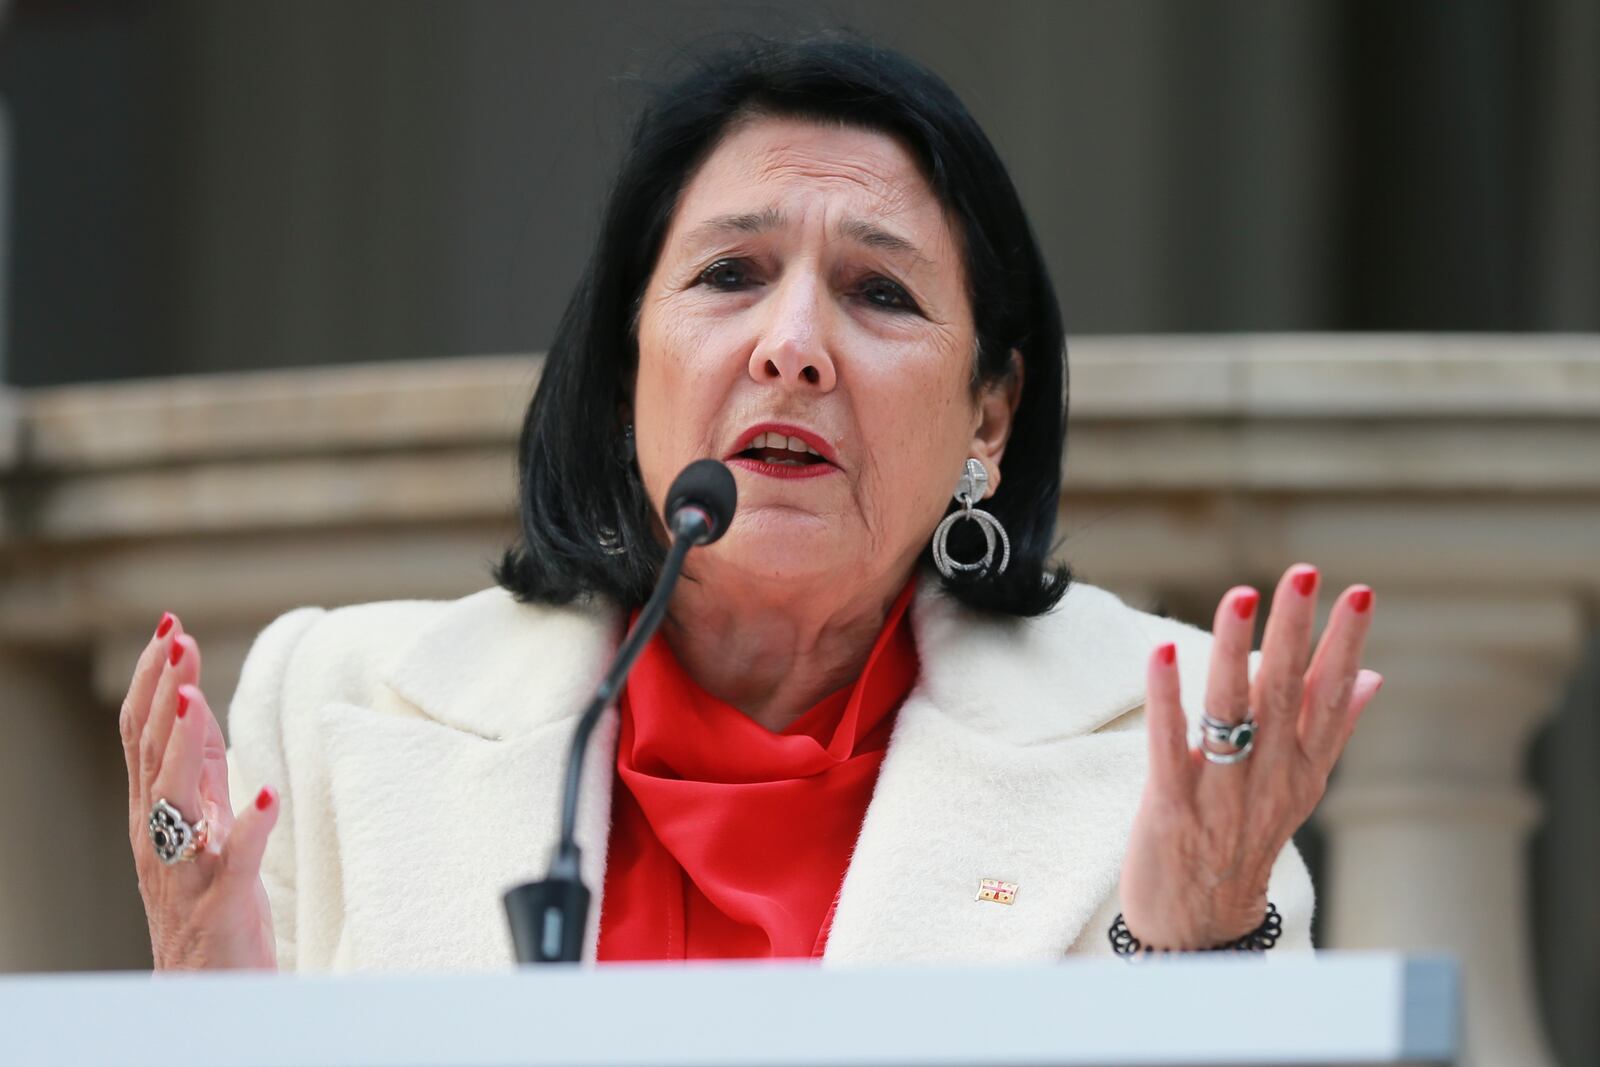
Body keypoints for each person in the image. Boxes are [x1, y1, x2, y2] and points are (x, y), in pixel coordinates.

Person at [121, 36, 1380, 971]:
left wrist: (1192, 953)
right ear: (626, 377)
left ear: (987, 414)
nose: (794, 346)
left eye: (878, 292)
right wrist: (206, 1015)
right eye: (731, 273)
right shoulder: (339, 701)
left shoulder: (1158, 738)